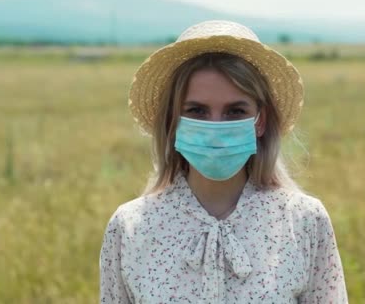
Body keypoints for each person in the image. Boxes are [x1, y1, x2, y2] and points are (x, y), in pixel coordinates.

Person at [100, 20, 348, 303]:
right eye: (197, 110)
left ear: (260, 121)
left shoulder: (303, 221)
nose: (215, 127)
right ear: (172, 121)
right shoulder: (131, 227)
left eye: (235, 111)